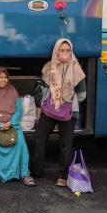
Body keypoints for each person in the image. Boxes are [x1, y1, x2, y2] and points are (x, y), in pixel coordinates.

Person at [30, 38, 87, 187]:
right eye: (61, 50)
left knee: (66, 143)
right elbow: (42, 90)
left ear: (71, 52)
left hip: (68, 112)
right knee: (39, 137)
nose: (64, 53)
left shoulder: (77, 70)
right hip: (49, 109)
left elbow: (82, 95)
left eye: (68, 50)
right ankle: (36, 171)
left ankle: (63, 175)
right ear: (56, 51)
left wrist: (65, 100)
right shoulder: (49, 67)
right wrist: (53, 100)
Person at [0, 67, 36, 186]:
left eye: (5, 77)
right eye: (0, 77)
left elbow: (19, 109)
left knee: (20, 141)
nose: (3, 80)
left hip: (11, 124)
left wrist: (11, 123)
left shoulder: (12, 90)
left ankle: (24, 173)